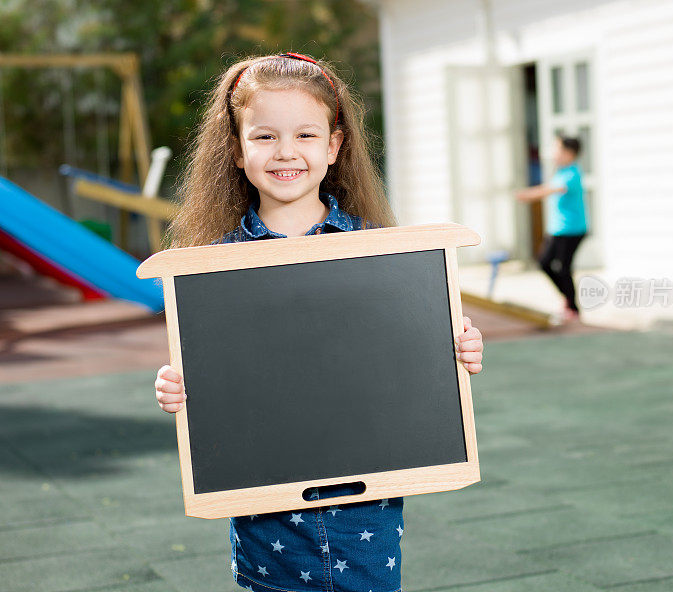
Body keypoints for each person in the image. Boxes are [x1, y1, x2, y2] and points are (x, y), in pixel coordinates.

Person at [153, 52, 484, 592]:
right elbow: (212, 379)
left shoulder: (380, 256)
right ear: (236, 150)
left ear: (333, 146)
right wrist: (177, 388)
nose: (286, 152)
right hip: (269, 531)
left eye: (306, 135)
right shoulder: (211, 270)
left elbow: (409, 359)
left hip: (366, 528)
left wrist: (455, 350)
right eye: (264, 137)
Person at [515, 134, 589, 323]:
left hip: (571, 230)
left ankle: (573, 308)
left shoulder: (572, 174)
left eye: (557, 149)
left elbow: (549, 190)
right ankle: (568, 300)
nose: (553, 153)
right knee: (545, 263)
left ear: (569, 153)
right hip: (557, 230)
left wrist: (527, 195)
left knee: (564, 269)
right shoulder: (561, 171)